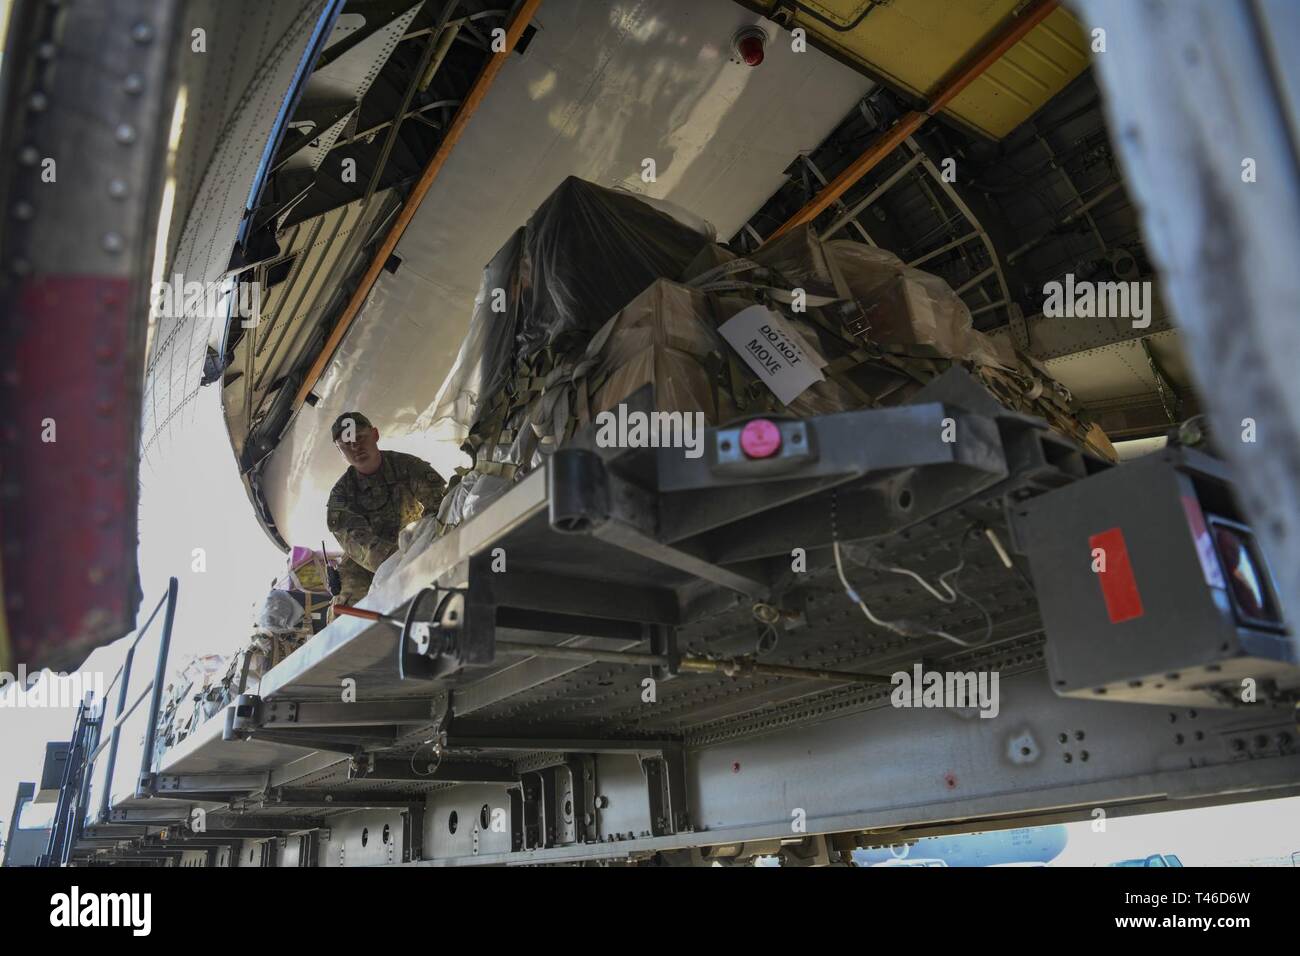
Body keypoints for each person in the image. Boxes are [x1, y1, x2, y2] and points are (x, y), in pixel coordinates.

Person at [325, 412, 445, 606]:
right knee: (352, 606)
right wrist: (406, 561)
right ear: (340, 451)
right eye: (346, 444)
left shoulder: (407, 466)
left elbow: (440, 507)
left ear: (375, 435)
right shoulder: (340, 496)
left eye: (360, 437)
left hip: (415, 540)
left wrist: (426, 544)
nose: (355, 447)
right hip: (366, 565)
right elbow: (361, 546)